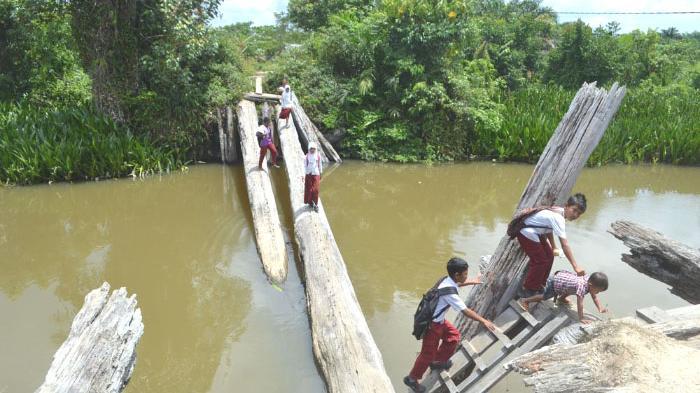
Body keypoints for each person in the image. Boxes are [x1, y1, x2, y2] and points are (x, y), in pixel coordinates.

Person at [404, 257, 497, 393]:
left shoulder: (445, 280)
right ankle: (412, 378)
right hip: (433, 326)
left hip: (439, 321)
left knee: (453, 336)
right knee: (427, 354)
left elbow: (455, 286)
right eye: (465, 274)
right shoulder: (450, 294)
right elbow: (465, 311)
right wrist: (484, 321)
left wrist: (473, 281)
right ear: (456, 275)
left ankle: (437, 361)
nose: (466, 276)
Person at [517, 193, 587, 296]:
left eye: (579, 213)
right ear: (566, 205)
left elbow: (548, 228)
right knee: (540, 261)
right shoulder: (558, 218)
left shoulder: (559, 211)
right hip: (526, 231)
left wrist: (553, 246)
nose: (576, 215)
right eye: (574, 210)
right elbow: (565, 245)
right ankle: (528, 289)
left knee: (549, 256)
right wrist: (575, 266)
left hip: (537, 231)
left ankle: (540, 284)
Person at [518, 270, 609, 324]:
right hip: (556, 282)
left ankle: (561, 299)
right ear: (591, 284)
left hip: (565, 281)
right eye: (598, 290)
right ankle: (526, 300)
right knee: (544, 296)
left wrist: (600, 308)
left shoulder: (589, 281)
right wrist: (581, 318)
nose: (597, 293)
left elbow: (595, 297)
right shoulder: (582, 287)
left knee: (572, 288)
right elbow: (580, 304)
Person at [303, 142, 322, 212]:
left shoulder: (318, 156)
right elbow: (304, 166)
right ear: (309, 149)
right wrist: (303, 175)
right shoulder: (306, 156)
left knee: (315, 190)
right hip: (308, 174)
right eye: (311, 149)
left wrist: (321, 173)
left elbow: (320, 165)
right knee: (309, 190)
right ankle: (310, 202)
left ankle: (316, 204)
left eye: (314, 149)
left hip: (316, 174)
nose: (312, 150)